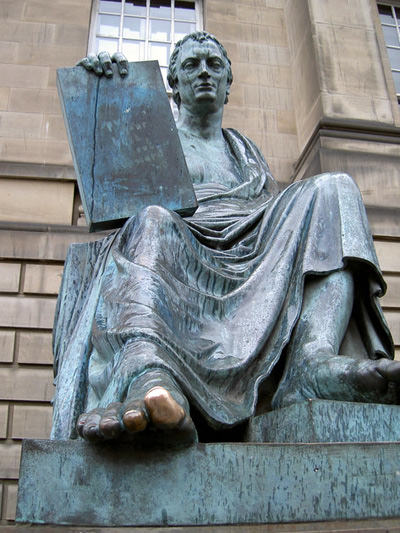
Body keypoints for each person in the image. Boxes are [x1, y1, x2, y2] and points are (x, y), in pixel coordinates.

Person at [51, 32, 400, 444]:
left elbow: (273, 211)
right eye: (191, 65)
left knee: (335, 188)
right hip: (180, 241)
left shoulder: (245, 151)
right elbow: (113, 187)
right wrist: (103, 90)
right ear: (173, 84)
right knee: (152, 221)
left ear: (228, 84)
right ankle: (150, 375)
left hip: (253, 240)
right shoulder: (150, 136)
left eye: (214, 65)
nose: (203, 72)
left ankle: (311, 362)